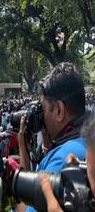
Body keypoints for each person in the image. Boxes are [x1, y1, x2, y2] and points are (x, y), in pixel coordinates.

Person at [17, 63, 88, 212]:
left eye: (43, 109)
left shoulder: (63, 160)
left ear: (59, 111)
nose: (42, 117)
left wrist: (23, 148)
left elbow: (25, 207)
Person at [40, 114, 95, 212]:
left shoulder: (59, 158)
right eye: (84, 164)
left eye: (91, 178)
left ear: (59, 110)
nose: (85, 186)